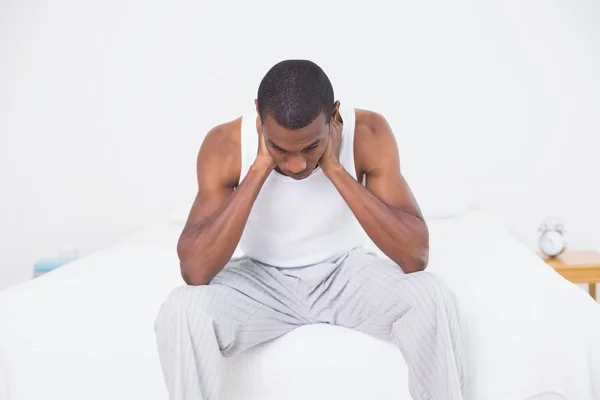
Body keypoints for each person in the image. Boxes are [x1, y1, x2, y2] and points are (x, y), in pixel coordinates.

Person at [154, 59, 464, 400]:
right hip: (260, 282)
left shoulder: (368, 132)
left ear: (334, 116)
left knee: (430, 295)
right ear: (259, 115)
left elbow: (414, 255)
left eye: (310, 147)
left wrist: (333, 168)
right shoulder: (225, 145)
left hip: (345, 274)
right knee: (182, 309)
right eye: (280, 149)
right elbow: (195, 271)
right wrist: (259, 167)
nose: (297, 164)